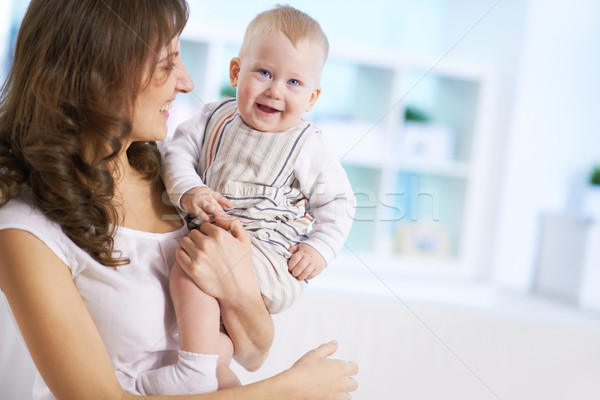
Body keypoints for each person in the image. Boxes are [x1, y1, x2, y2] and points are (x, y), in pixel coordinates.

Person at [0, 1, 358, 399]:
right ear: (99, 73)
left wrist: (238, 284)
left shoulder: (170, 181)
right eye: (167, 64)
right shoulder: (26, 230)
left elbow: (254, 352)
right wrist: (287, 390)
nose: (186, 82)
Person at [140, 5, 355, 394]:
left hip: (269, 258)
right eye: (265, 73)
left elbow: (339, 203)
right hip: (222, 243)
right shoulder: (213, 117)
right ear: (236, 72)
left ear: (312, 96)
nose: (275, 90)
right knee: (209, 335)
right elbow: (177, 154)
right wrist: (189, 188)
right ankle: (215, 371)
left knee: (187, 268)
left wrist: (319, 249)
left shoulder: (309, 146)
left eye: (294, 83)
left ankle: (192, 370)